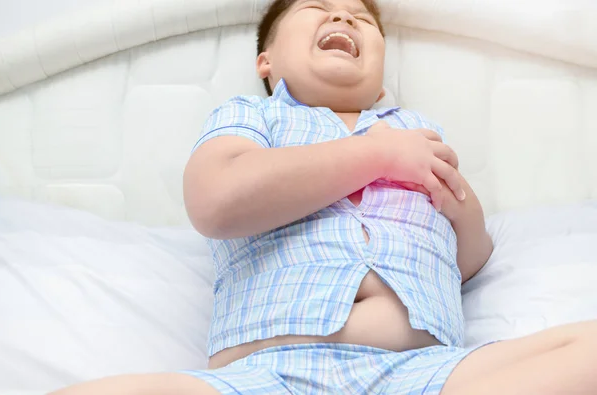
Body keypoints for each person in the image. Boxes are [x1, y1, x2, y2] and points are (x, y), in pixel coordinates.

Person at [50, 0, 597, 394]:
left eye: (361, 17)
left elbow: (466, 262)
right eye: (318, 7)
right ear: (266, 60)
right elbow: (215, 202)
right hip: (266, 375)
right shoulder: (254, 119)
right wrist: (379, 157)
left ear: (381, 76)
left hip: (424, 373)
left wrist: (461, 210)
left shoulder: (415, 130)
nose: (343, 16)